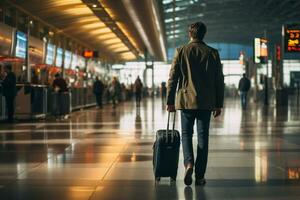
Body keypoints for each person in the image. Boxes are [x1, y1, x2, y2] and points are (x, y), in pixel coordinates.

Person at [166, 21, 224, 186]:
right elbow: (219, 80)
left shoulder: (181, 51)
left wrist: (170, 101)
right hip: (206, 102)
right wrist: (218, 103)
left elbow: (173, 78)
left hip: (185, 101)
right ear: (204, 34)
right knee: (203, 137)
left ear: (190, 34)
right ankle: (200, 176)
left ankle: (188, 163)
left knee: (186, 134)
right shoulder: (213, 53)